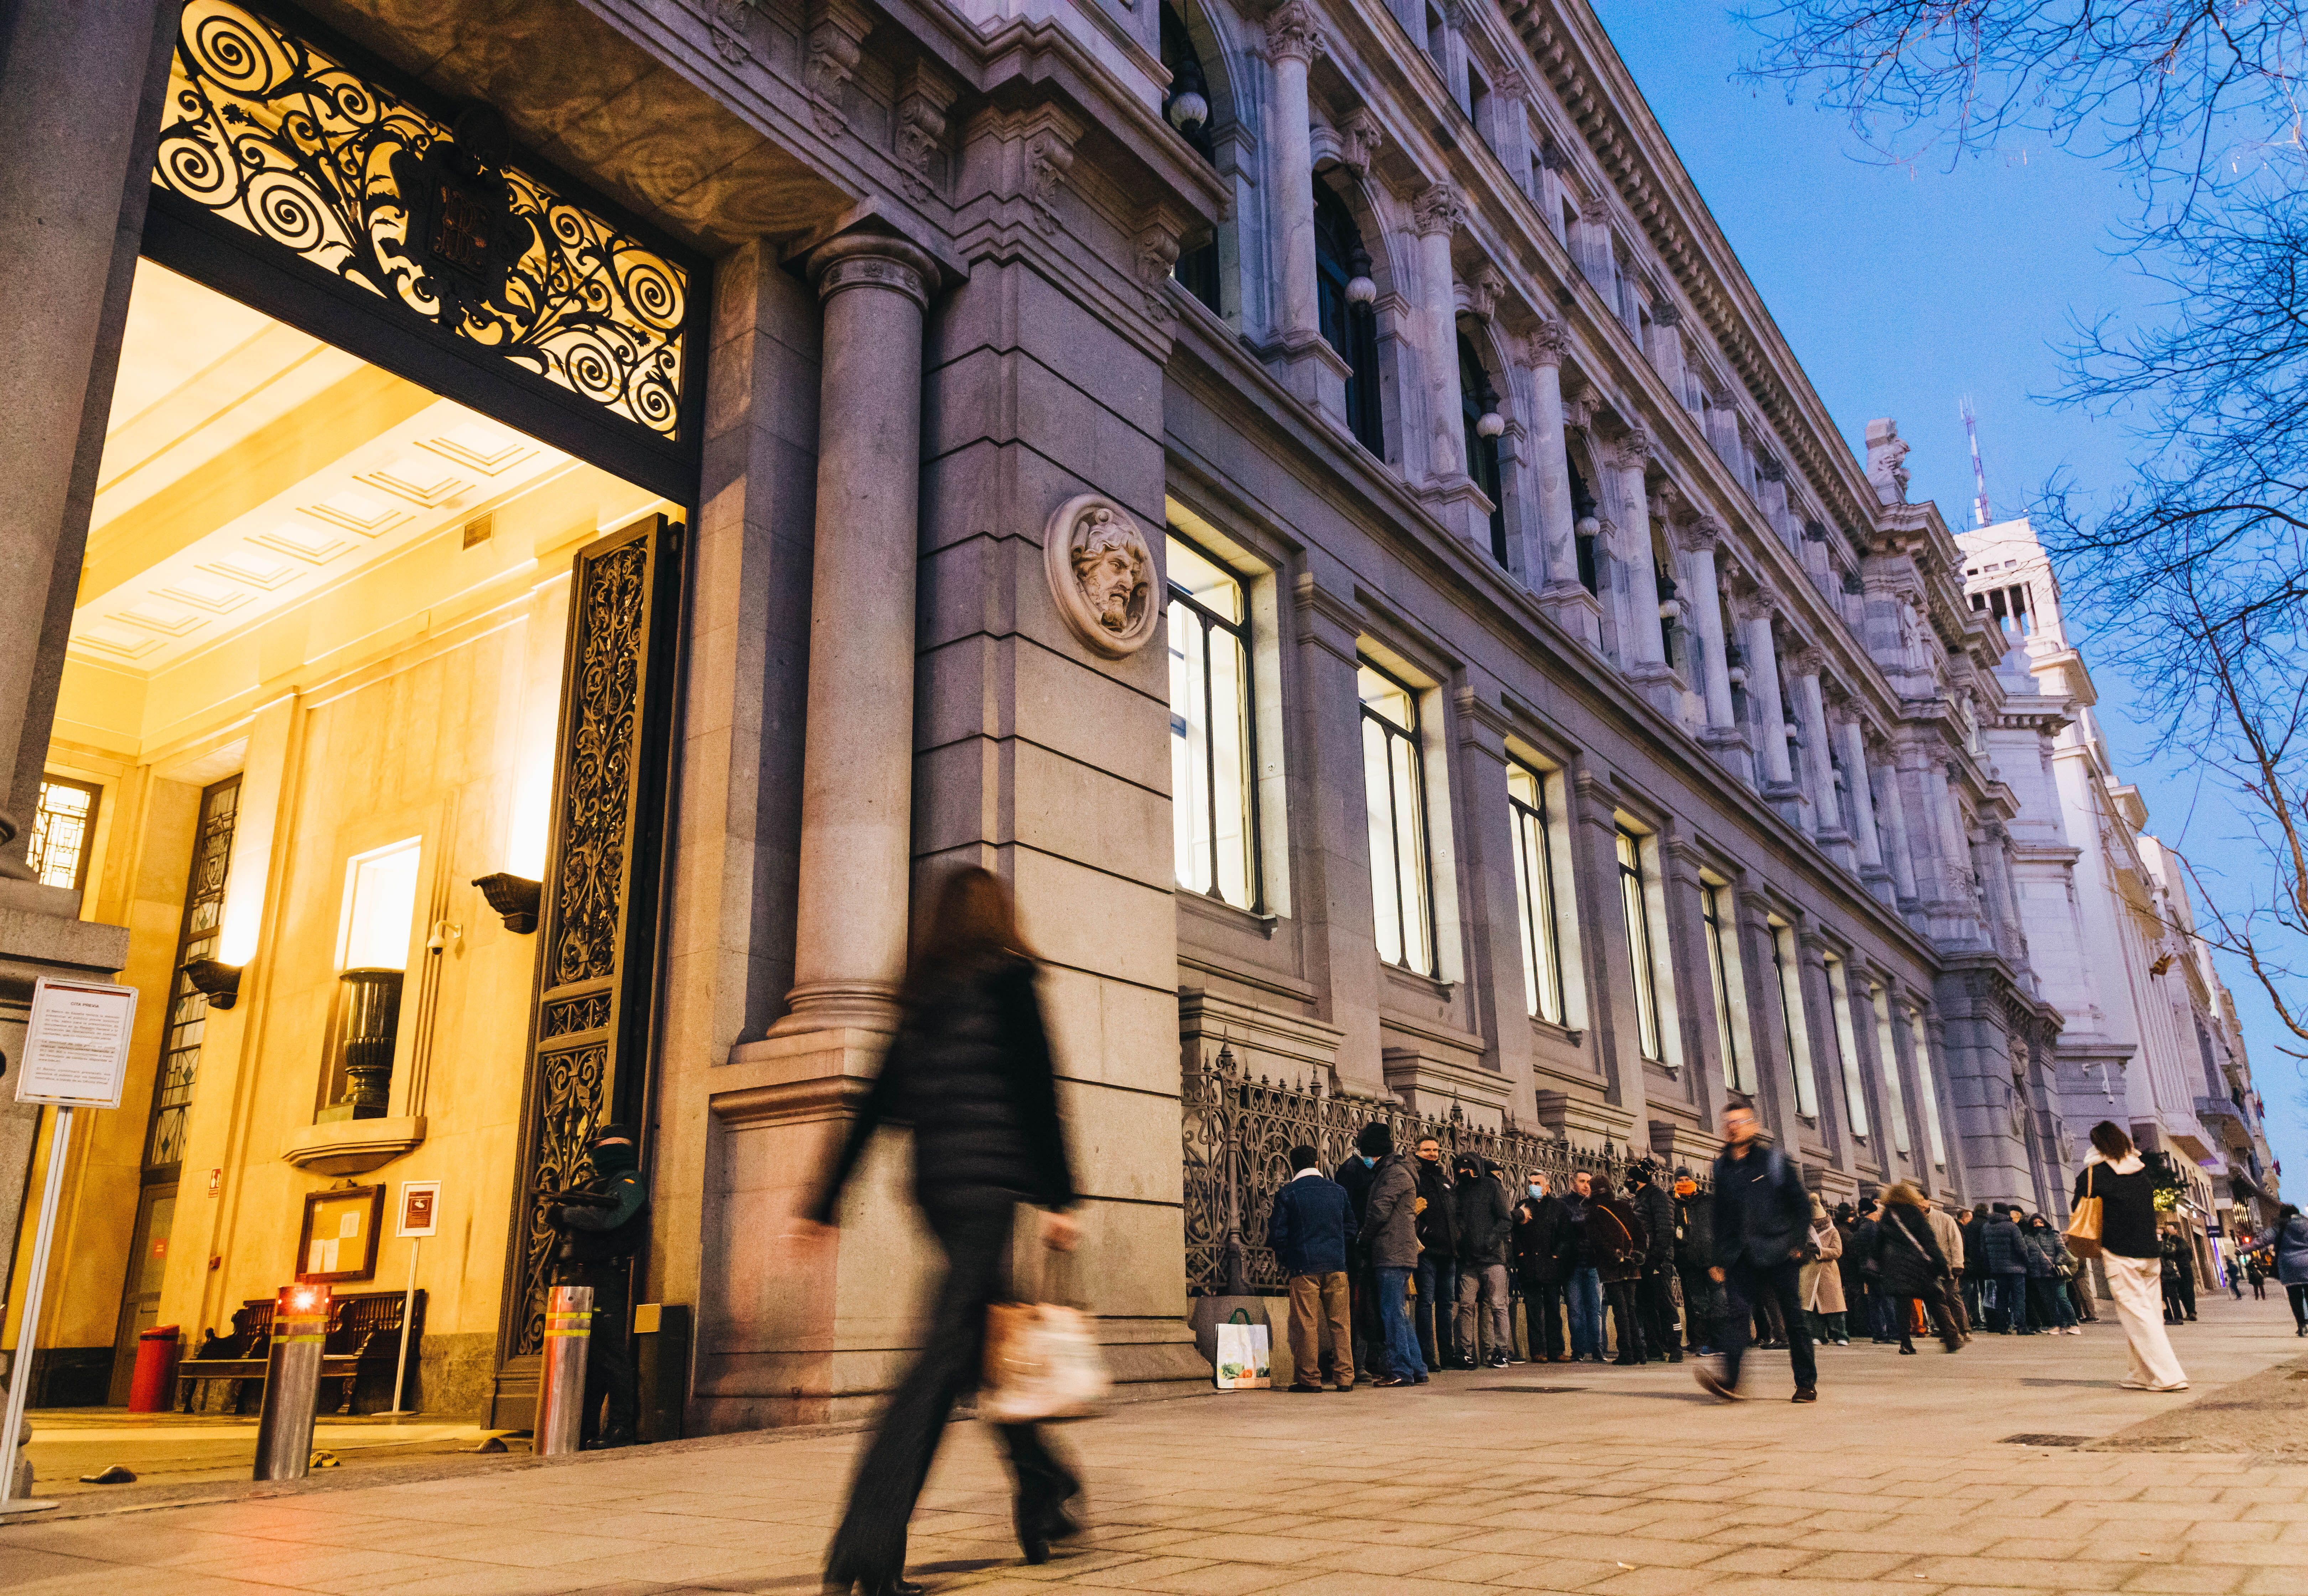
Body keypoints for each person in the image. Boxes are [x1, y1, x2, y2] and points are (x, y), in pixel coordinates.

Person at [801, 867, 1083, 1595]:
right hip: (992, 1189)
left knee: (983, 1347)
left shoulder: (923, 996)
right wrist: (1059, 1195)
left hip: (936, 1190)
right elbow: (1036, 1083)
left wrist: (825, 1197)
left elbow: (876, 1099)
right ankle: (865, 1542)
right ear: (999, 915)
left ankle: (1043, 1483)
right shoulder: (1009, 978)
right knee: (936, 1367)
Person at [1695, 1102, 1818, 1403]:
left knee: (1793, 1320)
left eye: (1740, 1121)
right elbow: (1721, 1217)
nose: (1733, 1127)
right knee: (1735, 1317)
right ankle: (1731, 1382)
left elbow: (1801, 1206)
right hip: (1741, 1257)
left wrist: (1797, 1245)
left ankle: (1805, 1384)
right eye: (1729, 1122)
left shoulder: (1774, 1161)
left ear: (1753, 1126)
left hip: (1779, 1252)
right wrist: (1718, 1258)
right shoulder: (1721, 1167)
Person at [539, 1123, 648, 1449]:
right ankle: (582, 1427)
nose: (593, 1153)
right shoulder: (593, 1184)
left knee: (611, 1356)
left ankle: (620, 1428)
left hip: (603, 1277)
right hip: (578, 1277)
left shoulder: (628, 1182)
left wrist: (568, 1214)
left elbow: (610, 1220)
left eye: (597, 1146)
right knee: (586, 1359)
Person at [2073, 1122, 2185, 1389]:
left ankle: (2170, 1376)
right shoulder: (2140, 1171)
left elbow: (2078, 1209)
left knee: (2138, 1317)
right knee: (2148, 1315)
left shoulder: (2094, 1174)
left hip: (2120, 1253)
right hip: (2150, 1253)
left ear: (2097, 1145)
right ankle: (2140, 1374)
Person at [1268, 1144, 1358, 1392]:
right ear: (1317, 1163)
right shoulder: (1338, 1192)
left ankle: (1310, 1379)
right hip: (1337, 1266)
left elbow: (1277, 1234)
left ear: (1292, 1166)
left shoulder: (1288, 1193)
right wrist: (1338, 1249)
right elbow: (1351, 1228)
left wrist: (1289, 1258)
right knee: (1340, 1323)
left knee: (1306, 1323)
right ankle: (1345, 1379)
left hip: (1303, 1268)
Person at [1358, 1123, 1427, 1387]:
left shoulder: (1394, 1173)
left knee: (1392, 1313)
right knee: (1398, 1312)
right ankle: (1416, 1367)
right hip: (1396, 1251)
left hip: (1392, 1252)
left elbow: (1379, 1210)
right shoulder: (1393, 1171)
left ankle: (1400, 1370)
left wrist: (1364, 1238)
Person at [1873, 1182, 1964, 1354]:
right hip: (1919, 1266)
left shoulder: (1887, 1215)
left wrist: (1881, 1266)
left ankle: (1906, 1344)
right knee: (1935, 1300)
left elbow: (1878, 1244)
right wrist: (1943, 1266)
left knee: (1903, 1306)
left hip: (1895, 1267)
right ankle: (1952, 1339)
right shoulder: (1914, 1213)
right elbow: (1928, 1241)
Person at [1453, 1152, 1513, 1368]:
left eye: (1467, 1168)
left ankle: (1501, 1351)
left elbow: (1505, 1220)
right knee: (1466, 1306)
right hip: (1469, 1260)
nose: (1463, 1172)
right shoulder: (1458, 1191)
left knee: (1498, 1306)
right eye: (1459, 1169)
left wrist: (1490, 1242)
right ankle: (1465, 1352)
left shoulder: (1492, 1187)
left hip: (1493, 1258)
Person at [1588, 1172, 1650, 1364]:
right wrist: (1637, 1254)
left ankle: (1627, 1353)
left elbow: (1597, 1241)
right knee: (1631, 1308)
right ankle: (1640, 1351)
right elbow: (1640, 1234)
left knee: (1620, 1310)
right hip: (1632, 1265)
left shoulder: (1594, 1211)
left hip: (1611, 1266)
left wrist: (1613, 1256)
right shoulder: (1625, 1206)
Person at [1333, 1135, 1380, 1382]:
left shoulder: (1365, 1169)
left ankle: (1367, 1360)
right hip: (1358, 1249)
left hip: (1366, 1246)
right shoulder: (1352, 1170)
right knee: (1360, 1306)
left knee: (1367, 1307)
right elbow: (1350, 1212)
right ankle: (1358, 1362)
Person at [1410, 1136, 1459, 1372]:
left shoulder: (1444, 1180)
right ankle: (1428, 1358)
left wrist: (1458, 1236)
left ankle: (1447, 1356)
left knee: (1446, 1305)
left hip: (1448, 1252)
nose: (1432, 1153)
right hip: (1427, 1251)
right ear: (1417, 1152)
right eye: (1427, 1150)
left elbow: (1455, 1212)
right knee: (1425, 1303)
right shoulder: (1416, 1178)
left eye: (1435, 1150)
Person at [1512, 1171, 1572, 1362]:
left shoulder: (1558, 1207)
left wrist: (1557, 1255)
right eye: (1531, 1183)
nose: (1533, 1186)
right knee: (1533, 1309)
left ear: (1547, 1187)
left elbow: (1566, 1236)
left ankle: (1557, 1349)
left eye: (1537, 1183)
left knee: (1553, 1308)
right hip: (1530, 1264)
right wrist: (1520, 1253)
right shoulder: (1522, 1206)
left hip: (1551, 1265)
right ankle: (1538, 1350)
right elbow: (1515, 1234)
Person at [1626, 1161, 1682, 1364]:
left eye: (1630, 1180)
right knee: (1646, 1306)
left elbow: (1666, 1231)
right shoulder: (1639, 1198)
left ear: (1638, 1181)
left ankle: (1675, 1347)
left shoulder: (1659, 1197)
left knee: (1666, 1304)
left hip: (1657, 1261)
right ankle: (1655, 1348)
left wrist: (1656, 1259)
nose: (1628, 1183)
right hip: (1643, 1261)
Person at [1673, 1169, 1719, 1356]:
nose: (1684, 1182)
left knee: (1717, 1301)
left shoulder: (1708, 1201)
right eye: (1680, 1180)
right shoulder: (1674, 1202)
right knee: (1695, 1303)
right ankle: (1699, 1341)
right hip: (1688, 1261)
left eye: (1687, 1179)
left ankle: (1717, 1340)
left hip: (1711, 1260)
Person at [1562, 1170, 1605, 1362]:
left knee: (1595, 1308)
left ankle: (1597, 1348)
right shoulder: (1564, 1204)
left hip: (1594, 1264)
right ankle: (1578, 1350)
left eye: (1589, 1182)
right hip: (1573, 1265)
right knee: (1575, 1310)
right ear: (1573, 1184)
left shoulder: (1597, 1204)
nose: (1587, 1185)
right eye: (1582, 1181)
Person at [1799, 1195, 1846, 1346]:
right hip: (1808, 1273)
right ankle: (1818, 1335)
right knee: (1813, 1307)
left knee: (1835, 1308)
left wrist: (1820, 1251)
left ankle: (1841, 1335)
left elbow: (1837, 1251)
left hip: (1828, 1273)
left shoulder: (1833, 1231)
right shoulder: (1803, 1231)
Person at [1924, 1197, 1970, 1339]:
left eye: (1920, 1201)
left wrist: (1958, 1264)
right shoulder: (1915, 1219)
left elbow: (1956, 1242)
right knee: (1937, 1300)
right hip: (1928, 1268)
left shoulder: (1944, 1218)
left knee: (1953, 1297)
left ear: (1927, 1201)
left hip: (1947, 1266)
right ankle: (1947, 1330)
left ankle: (1963, 1330)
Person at [1981, 1203, 2031, 1333]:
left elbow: (1984, 1250)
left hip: (1997, 1269)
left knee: (2001, 1297)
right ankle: (2021, 1327)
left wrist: (1990, 1267)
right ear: (2006, 1213)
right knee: (2019, 1297)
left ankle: (2002, 1327)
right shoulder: (2012, 1227)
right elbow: (2022, 1248)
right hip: (2016, 1269)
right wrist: (2027, 1262)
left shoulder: (1986, 1227)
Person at [2275, 1204, 2308, 1335]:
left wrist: (2241, 1250)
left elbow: (2263, 1240)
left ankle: (2302, 1325)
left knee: (2295, 1298)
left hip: (2290, 1267)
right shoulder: (2306, 1224)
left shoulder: (2280, 1226)